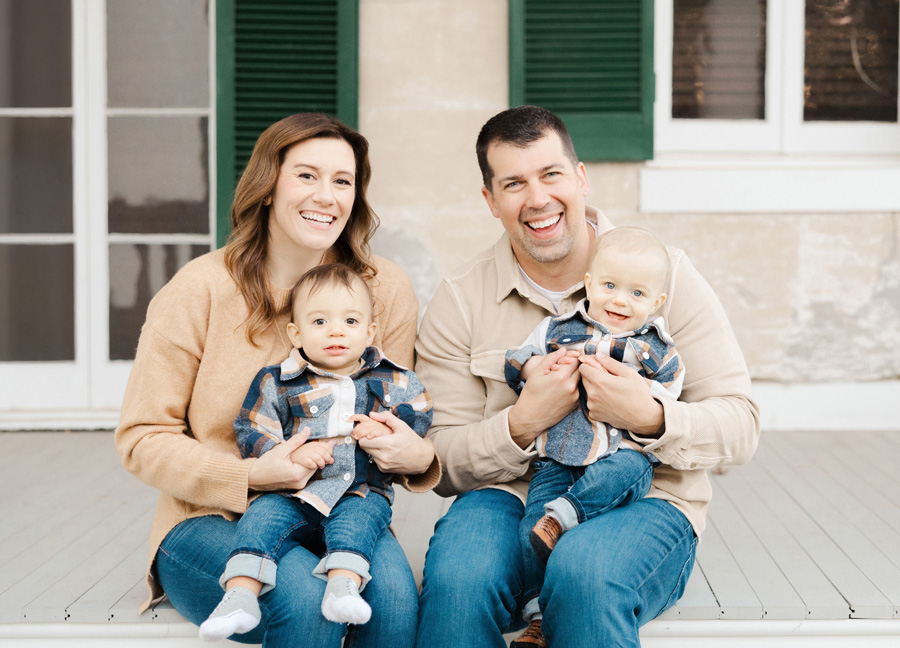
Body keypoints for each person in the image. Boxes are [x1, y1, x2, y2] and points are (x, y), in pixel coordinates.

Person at [414, 105, 759, 648]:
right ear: (491, 200)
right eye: (513, 183)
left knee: (584, 574)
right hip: (510, 495)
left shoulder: (664, 273)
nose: (537, 199)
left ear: (579, 177)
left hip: (644, 500)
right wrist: (523, 422)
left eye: (551, 174)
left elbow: (740, 425)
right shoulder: (461, 300)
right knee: (459, 584)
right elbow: (440, 461)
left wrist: (647, 416)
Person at [115, 113, 439, 648]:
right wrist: (249, 476)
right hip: (211, 516)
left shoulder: (383, 290)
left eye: (343, 181)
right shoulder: (199, 290)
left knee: (396, 605)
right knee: (304, 603)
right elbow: (142, 438)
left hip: (342, 505)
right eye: (306, 176)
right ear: (268, 187)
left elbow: (393, 415)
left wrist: (409, 450)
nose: (327, 196)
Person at [199, 263, 433, 641]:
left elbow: (420, 409)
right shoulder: (277, 380)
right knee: (260, 520)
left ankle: (342, 589)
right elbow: (251, 425)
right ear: (296, 333)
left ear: (371, 331)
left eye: (351, 321)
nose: (336, 330)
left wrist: (391, 426)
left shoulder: (395, 377)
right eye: (320, 321)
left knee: (357, 525)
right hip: (292, 491)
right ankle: (240, 596)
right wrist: (284, 455)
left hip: (358, 490)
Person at [503, 226, 684, 646]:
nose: (620, 300)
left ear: (656, 304)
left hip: (619, 455)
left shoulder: (652, 346)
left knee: (626, 469)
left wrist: (642, 398)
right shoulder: (560, 329)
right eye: (609, 286)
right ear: (588, 285)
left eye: (637, 294)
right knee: (531, 526)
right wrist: (533, 371)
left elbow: (671, 386)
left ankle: (567, 513)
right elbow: (518, 358)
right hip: (560, 455)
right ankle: (538, 617)